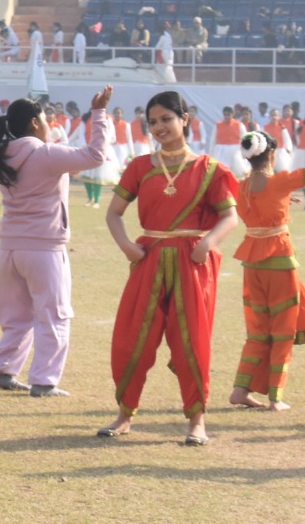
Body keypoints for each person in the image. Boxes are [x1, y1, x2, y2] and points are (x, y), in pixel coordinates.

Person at [100, 91, 239, 445]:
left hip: (192, 262)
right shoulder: (139, 167)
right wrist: (128, 246)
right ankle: (124, 415)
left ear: (185, 119)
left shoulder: (210, 169)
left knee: (192, 341)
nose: (159, 127)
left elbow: (230, 216)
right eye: (154, 121)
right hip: (147, 258)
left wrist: (208, 243)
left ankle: (196, 422)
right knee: (132, 339)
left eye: (166, 119)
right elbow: (114, 213)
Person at [0, 87, 113, 398]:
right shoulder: (45, 153)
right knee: (54, 314)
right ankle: (44, 380)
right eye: (45, 120)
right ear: (33, 123)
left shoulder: (4, 153)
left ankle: (3, 369)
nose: (48, 124)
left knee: (17, 315)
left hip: (10, 247)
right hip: (44, 247)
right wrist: (98, 114)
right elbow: (96, 156)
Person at [227, 130, 305, 412]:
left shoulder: (241, 186)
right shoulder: (281, 182)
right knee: (283, 329)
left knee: (258, 330)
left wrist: (284, 200)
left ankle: (241, 390)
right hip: (279, 260)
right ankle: (275, 397)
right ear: (271, 153)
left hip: (251, 262)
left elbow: (261, 201)